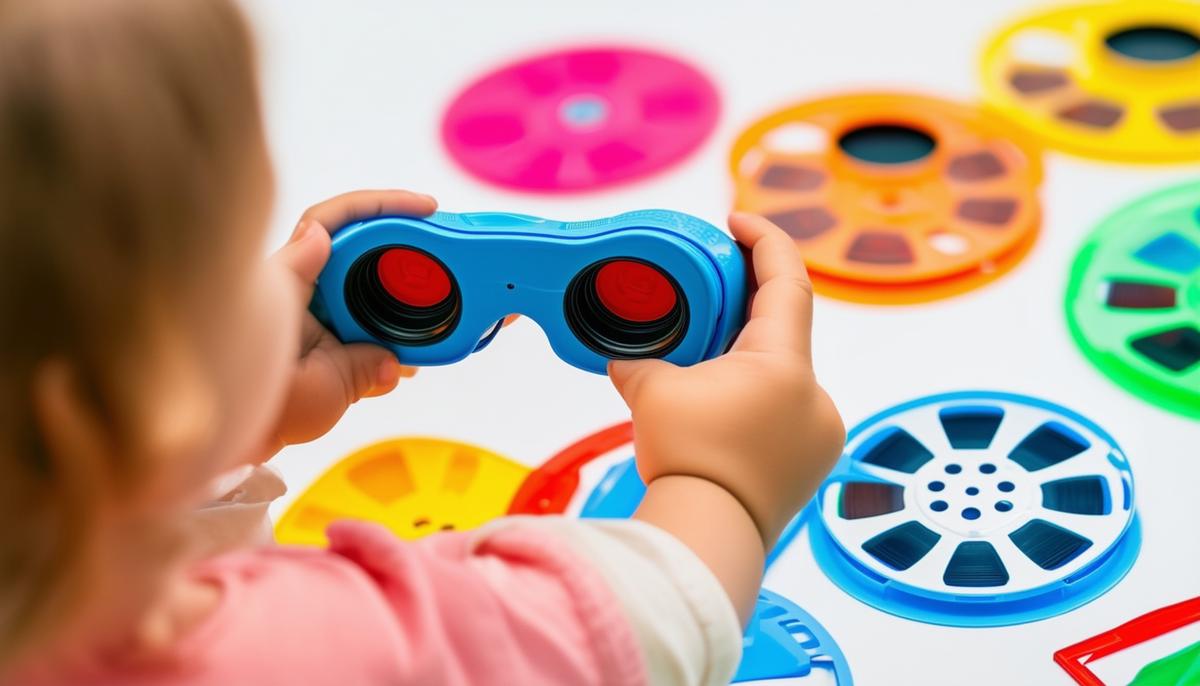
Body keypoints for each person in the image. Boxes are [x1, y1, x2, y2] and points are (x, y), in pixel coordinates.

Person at [0, 0, 844, 683]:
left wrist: (190, 455)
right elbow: (628, 629)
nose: (290, 272)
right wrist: (723, 485)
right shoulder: (314, 651)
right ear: (143, 388)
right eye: (238, 255)